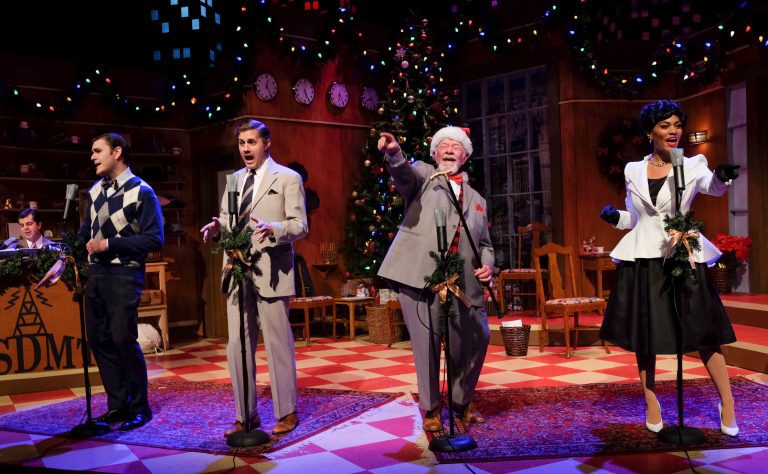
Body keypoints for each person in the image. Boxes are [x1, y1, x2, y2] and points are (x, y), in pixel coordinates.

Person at [599, 100, 741, 437]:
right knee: (645, 334)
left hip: (682, 255)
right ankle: (651, 401)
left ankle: (728, 403)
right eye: (665, 125)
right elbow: (636, 217)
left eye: (677, 124)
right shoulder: (633, 170)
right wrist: (616, 218)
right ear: (650, 132)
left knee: (704, 331)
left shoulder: (691, 164)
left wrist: (722, 178)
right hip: (644, 258)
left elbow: (710, 186)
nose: (673, 130)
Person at [377, 127, 494, 432]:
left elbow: (485, 245)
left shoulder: (478, 200)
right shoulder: (425, 176)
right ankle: (431, 408)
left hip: (462, 282)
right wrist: (394, 153)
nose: (450, 150)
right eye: (444, 146)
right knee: (426, 346)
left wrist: (488, 265)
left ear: (465, 156)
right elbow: (404, 176)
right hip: (420, 278)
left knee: (476, 338)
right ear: (435, 153)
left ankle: (460, 401)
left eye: (457, 146)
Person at [200, 119, 307, 438]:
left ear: (266, 143)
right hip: (237, 270)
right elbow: (228, 217)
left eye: (252, 142)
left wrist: (275, 229)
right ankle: (244, 415)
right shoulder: (234, 180)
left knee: (277, 344)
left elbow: (300, 225)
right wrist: (218, 227)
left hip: (271, 271)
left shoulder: (287, 177)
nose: (246, 149)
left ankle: (286, 411)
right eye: (242, 143)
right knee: (237, 345)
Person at [78, 133, 164, 430]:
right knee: (99, 339)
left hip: (124, 273)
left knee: (122, 339)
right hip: (96, 274)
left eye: (97, 150)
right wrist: (63, 255)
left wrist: (109, 244)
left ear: (117, 152)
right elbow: (85, 233)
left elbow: (155, 238)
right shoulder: (95, 191)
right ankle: (118, 405)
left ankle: (140, 407)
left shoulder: (142, 191)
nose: (92, 157)